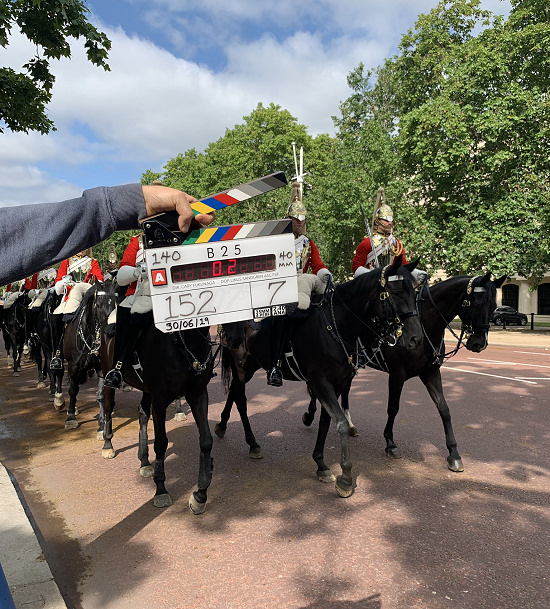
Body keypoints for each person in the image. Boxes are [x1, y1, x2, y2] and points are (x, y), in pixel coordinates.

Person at [0, 183, 214, 286]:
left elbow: (99, 277)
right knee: (129, 319)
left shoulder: (90, 261)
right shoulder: (136, 243)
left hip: (174, 287)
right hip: (142, 290)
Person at [266, 189, 332, 387]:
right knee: (281, 319)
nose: (300, 222)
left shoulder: (308, 243)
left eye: (303, 219)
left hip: (303, 285)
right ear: (289, 219)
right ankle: (275, 366)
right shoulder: (277, 240)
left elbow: (317, 264)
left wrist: (325, 274)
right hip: (281, 285)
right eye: (296, 219)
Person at [103, 233, 147, 389]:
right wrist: (136, 272)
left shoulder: (179, 235)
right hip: (140, 291)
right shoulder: (138, 241)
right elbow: (123, 273)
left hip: (170, 290)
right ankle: (118, 368)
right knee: (123, 316)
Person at [49, 249, 105, 370]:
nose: (83, 249)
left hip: (88, 296)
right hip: (70, 297)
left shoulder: (93, 262)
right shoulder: (66, 262)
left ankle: (101, 349)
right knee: (55, 318)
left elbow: (99, 279)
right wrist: (63, 282)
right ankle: (58, 353)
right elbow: (58, 285)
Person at [352, 188, 407, 276]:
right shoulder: (367, 243)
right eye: (386, 219)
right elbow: (356, 268)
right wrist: (373, 274)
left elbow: (403, 265)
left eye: (391, 219)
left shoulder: (395, 242)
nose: (390, 222)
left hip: (391, 282)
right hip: (372, 283)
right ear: (377, 221)